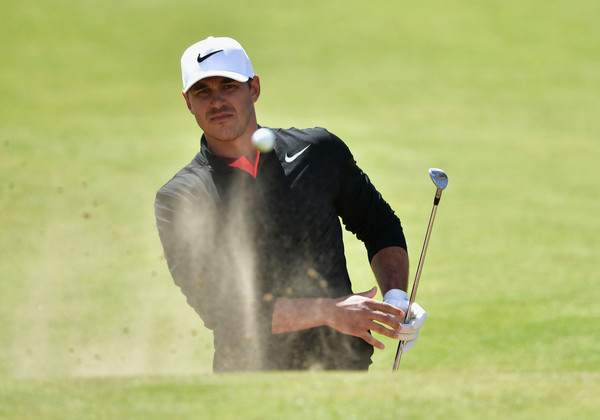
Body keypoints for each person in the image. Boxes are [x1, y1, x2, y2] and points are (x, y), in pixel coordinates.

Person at [154, 36, 427, 372]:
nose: (217, 101)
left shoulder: (319, 152)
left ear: (253, 88)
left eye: (228, 86)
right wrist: (330, 311)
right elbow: (221, 310)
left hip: (343, 370)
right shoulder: (181, 199)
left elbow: (379, 225)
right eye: (202, 92)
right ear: (187, 102)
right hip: (251, 380)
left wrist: (396, 298)